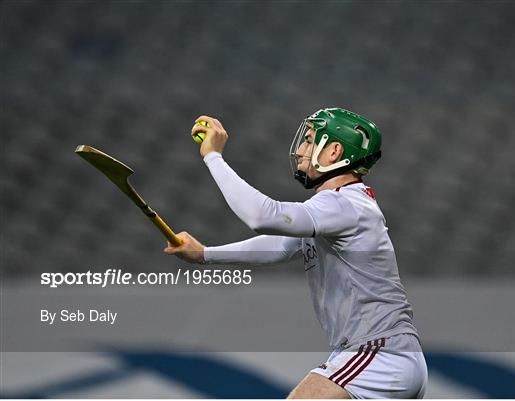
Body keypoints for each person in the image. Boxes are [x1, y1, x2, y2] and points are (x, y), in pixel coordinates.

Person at [164, 108, 428, 399]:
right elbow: (278, 245)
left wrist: (213, 157)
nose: (301, 150)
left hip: (376, 351)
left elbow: (262, 216)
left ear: (334, 151)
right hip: (387, 354)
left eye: (311, 140)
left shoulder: (344, 205)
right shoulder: (339, 207)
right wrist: (204, 254)